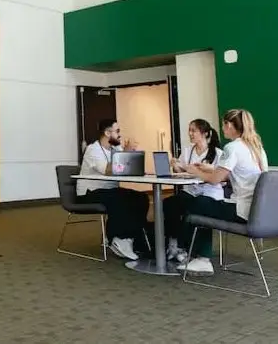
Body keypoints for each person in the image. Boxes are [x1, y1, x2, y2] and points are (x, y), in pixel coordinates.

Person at [179, 109, 268, 275]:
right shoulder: (257, 148)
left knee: (199, 203)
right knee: (204, 204)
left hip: (241, 210)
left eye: (224, 124)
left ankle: (201, 257)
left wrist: (193, 170)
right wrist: (211, 168)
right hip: (258, 212)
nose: (222, 128)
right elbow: (239, 171)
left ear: (231, 126)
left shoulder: (232, 147)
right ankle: (192, 253)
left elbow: (215, 179)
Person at [76, 119, 150, 260]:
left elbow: (126, 168)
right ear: (107, 133)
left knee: (141, 198)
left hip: (109, 191)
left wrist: (131, 156)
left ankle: (134, 238)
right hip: (90, 192)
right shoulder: (93, 149)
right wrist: (127, 153)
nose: (120, 135)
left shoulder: (115, 149)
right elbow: (107, 170)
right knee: (120, 199)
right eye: (117, 132)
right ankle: (119, 238)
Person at [163, 119, 224, 263]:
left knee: (192, 208)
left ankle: (184, 247)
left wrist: (196, 171)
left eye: (193, 131)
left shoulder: (217, 153)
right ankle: (173, 242)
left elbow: (221, 178)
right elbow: (181, 170)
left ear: (205, 133)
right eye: (189, 130)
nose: (190, 134)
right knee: (170, 203)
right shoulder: (188, 151)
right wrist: (175, 165)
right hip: (191, 191)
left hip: (209, 193)